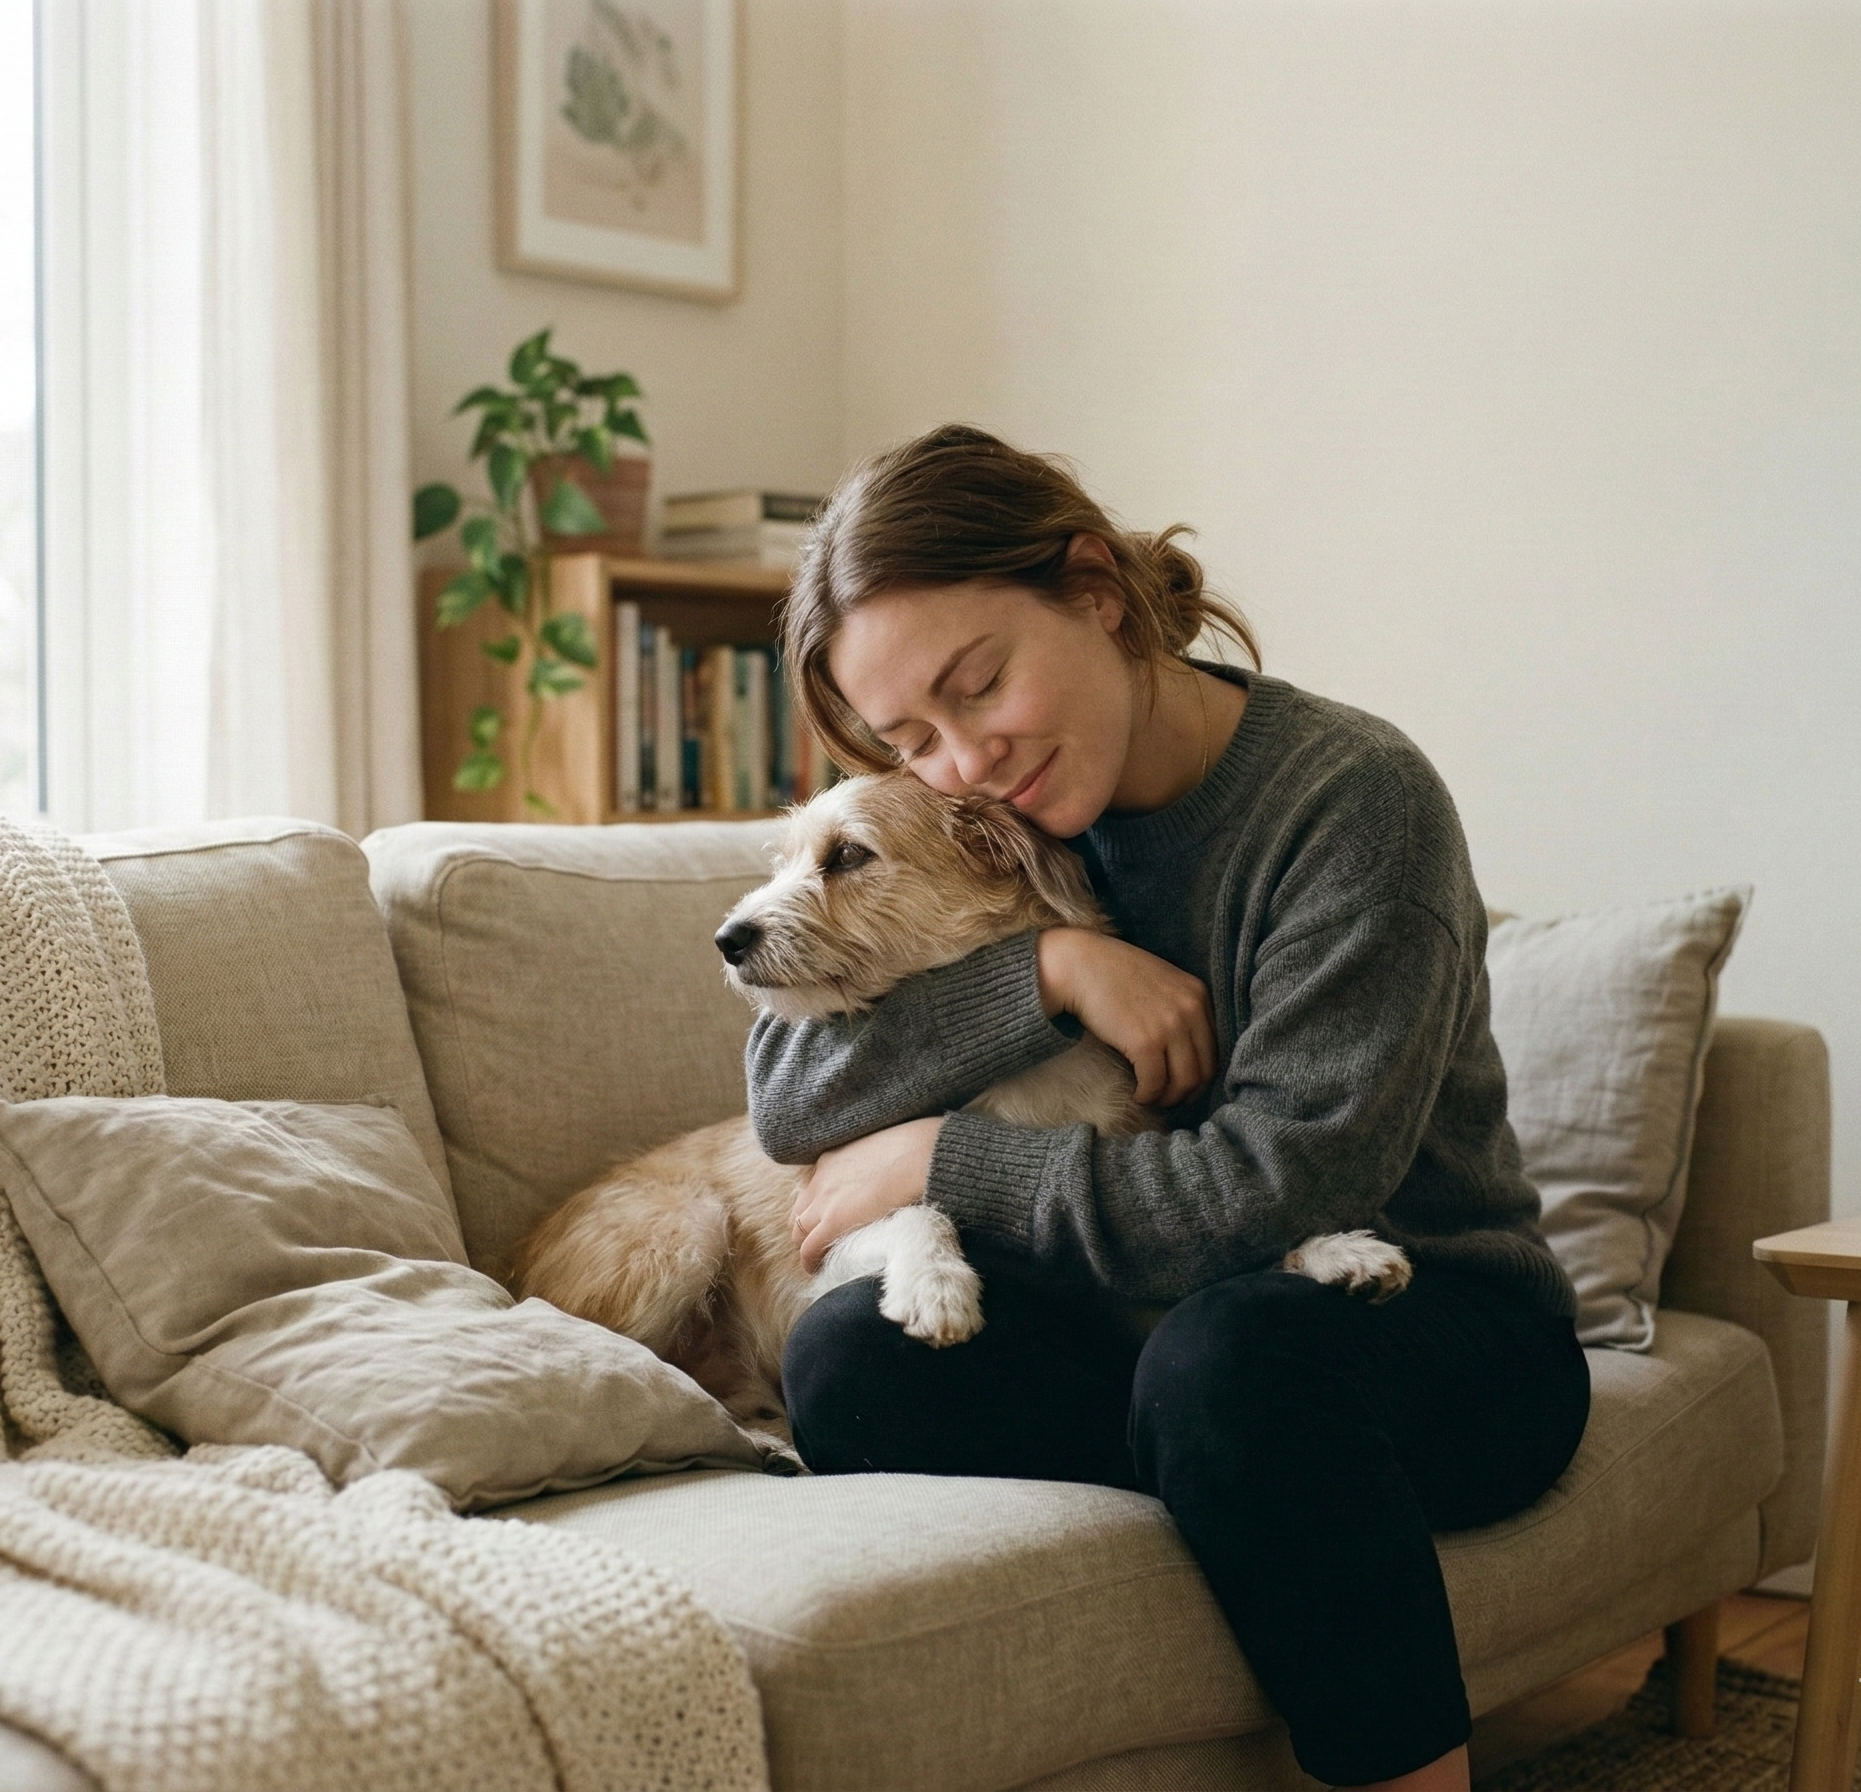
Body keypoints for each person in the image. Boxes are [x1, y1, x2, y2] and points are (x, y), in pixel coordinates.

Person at [748, 424, 1590, 1792]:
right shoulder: (990, 826)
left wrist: (940, 1161)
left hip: (1424, 1322)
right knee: (852, 1357)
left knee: (1237, 1359)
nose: (963, 760)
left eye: (981, 686)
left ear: (1094, 588)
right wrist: (1053, 967)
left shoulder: (1352, 802)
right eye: (913, 738)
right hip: (1139, 1325)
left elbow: (1284, 1191)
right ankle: (1229, 1485)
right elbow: (790, 1096)